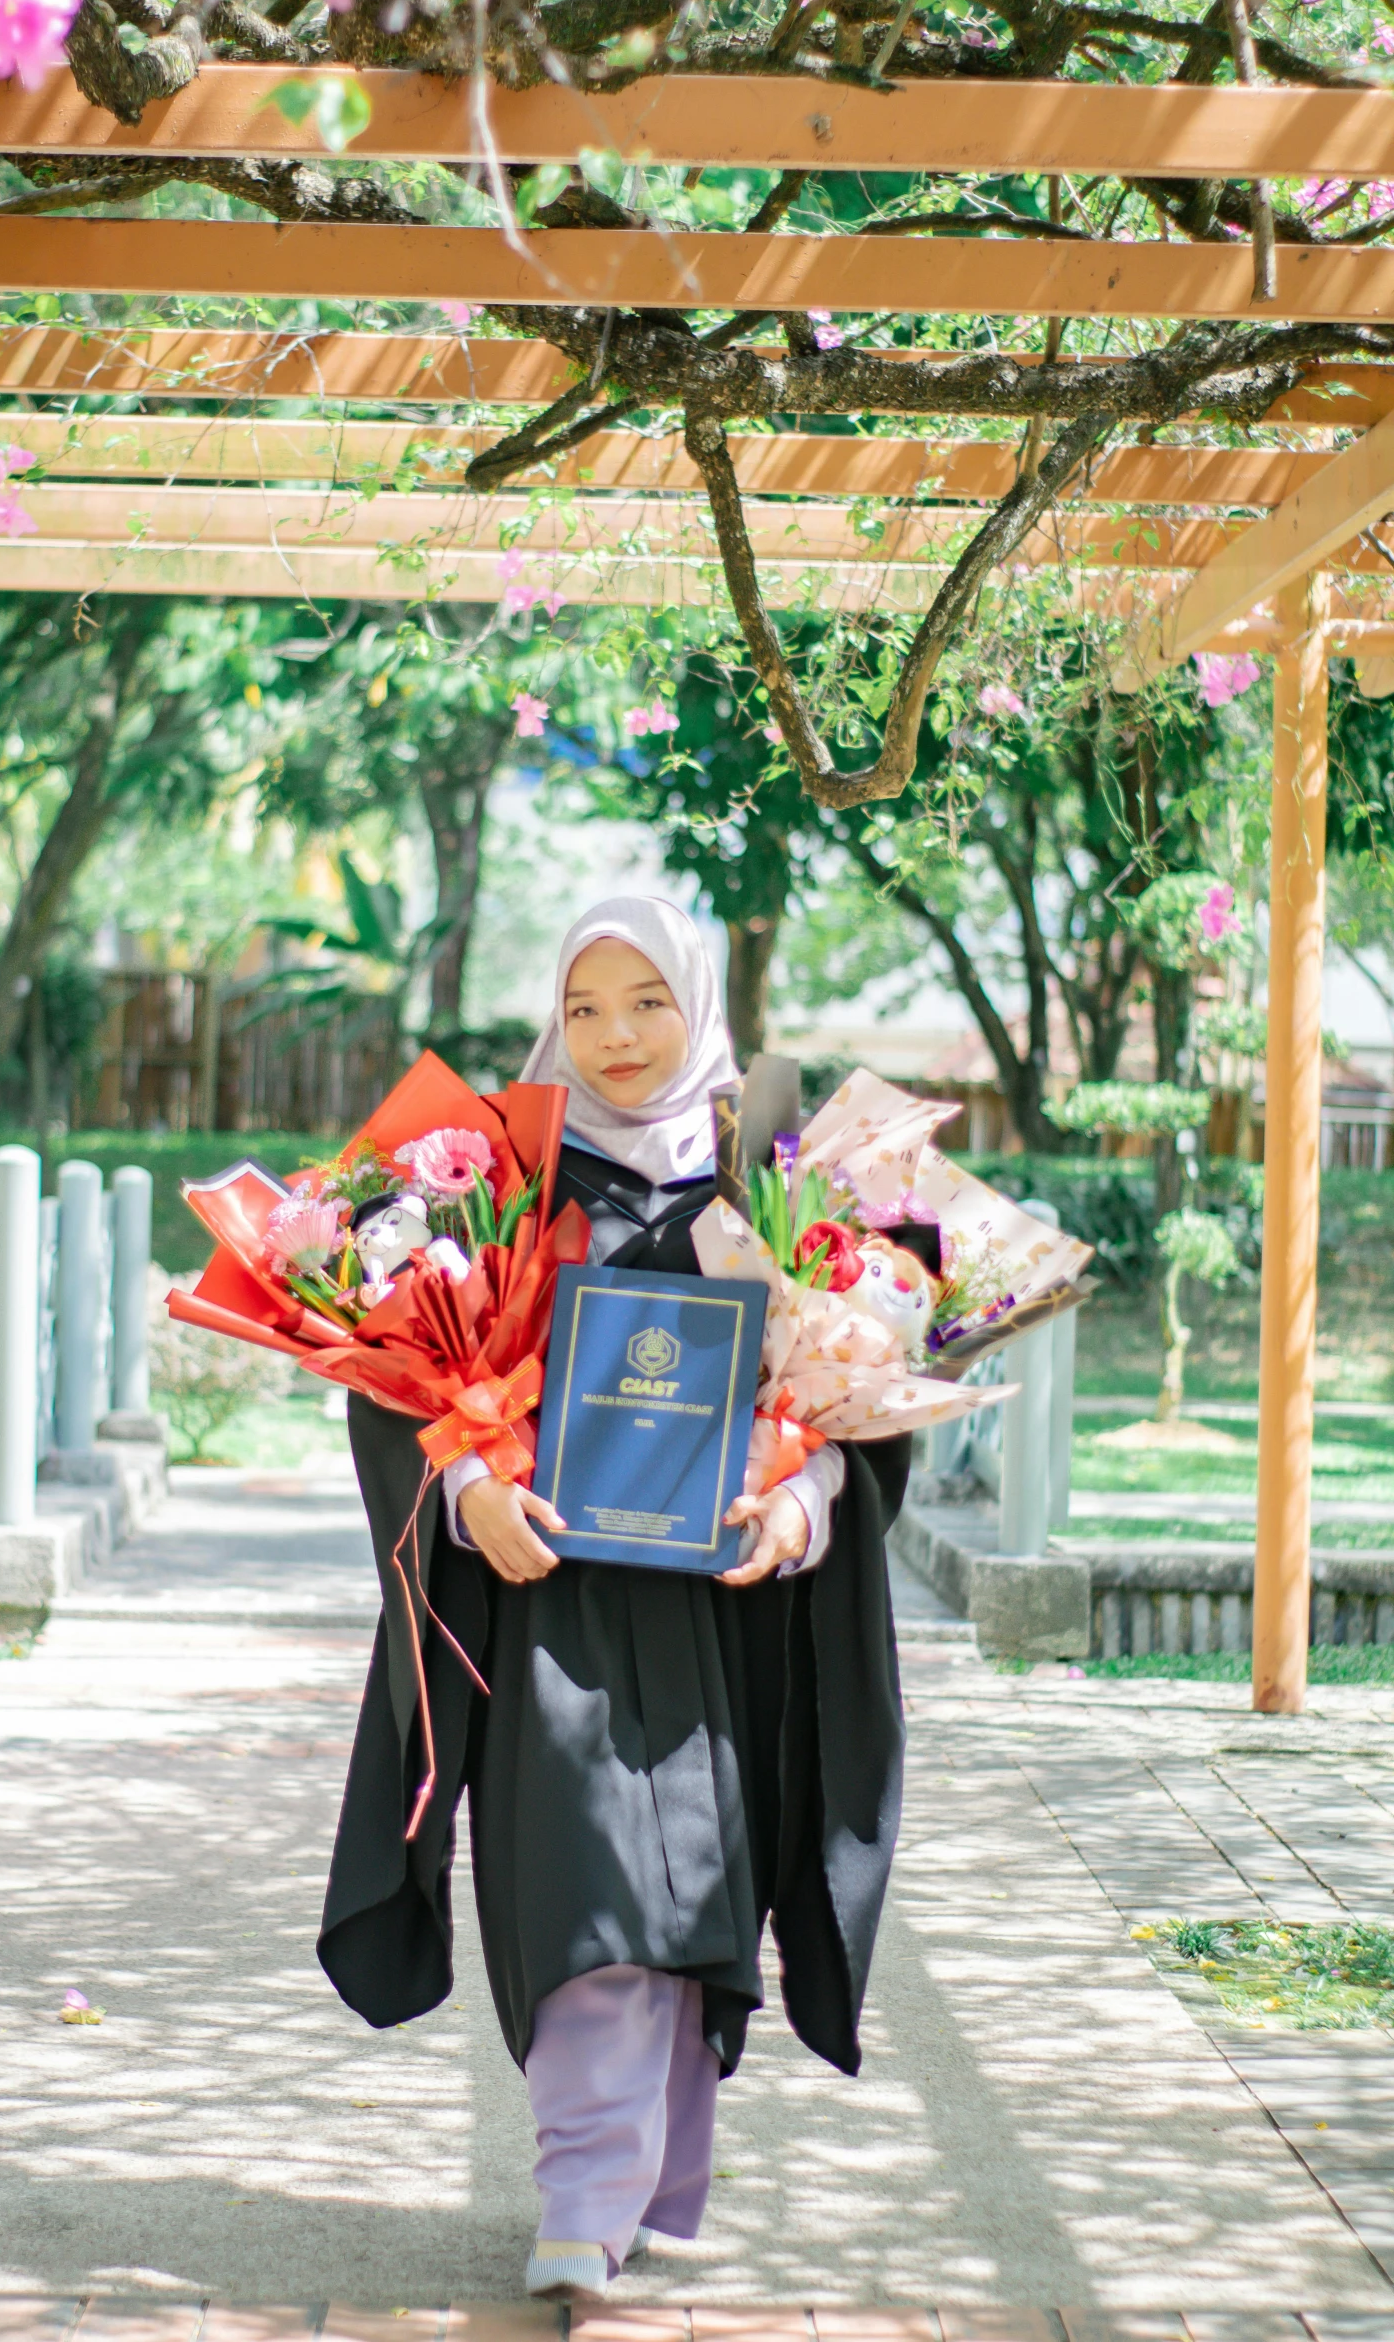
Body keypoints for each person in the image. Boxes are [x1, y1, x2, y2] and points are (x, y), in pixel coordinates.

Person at [318, 897, 909, 2302]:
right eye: (583, 1007)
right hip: (550, 1599)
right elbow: (403, 1381)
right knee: (582, 1877)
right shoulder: (491, 1184)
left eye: (646, 999)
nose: (616, 1036)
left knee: (693, 1890)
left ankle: (646, 2180)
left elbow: (856, 1397)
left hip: (719, 1609)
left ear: (696, 1001)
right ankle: (582, 2192)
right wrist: (465, 1496)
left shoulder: (772, 1185)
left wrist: (802, 1499)